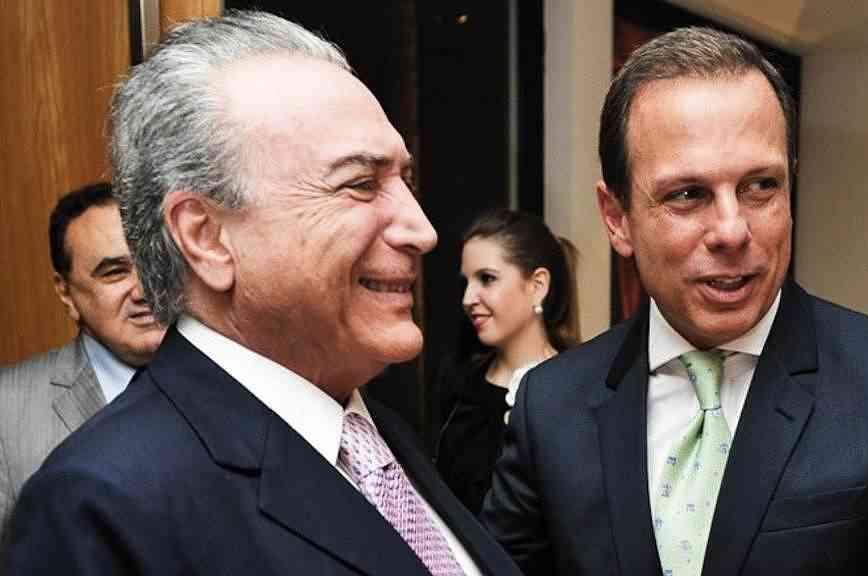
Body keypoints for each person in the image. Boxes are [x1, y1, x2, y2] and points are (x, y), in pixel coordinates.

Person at [481, 26, 868, 575]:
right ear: (617, 218)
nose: (732, 230)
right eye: (688, 194)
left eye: (760, 186)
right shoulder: (550, 407)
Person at [4, 11, 520, 576]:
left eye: (405, 181)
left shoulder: (381, 437)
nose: (422, 230)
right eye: (360, 183)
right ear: (207, 238)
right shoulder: (102, 507)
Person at [0, 182, 165, 552]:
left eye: (155, 262)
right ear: (66, 292)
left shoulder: (236, 380)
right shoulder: (6, 411)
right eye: (114, 272)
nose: (145, 291)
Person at [435, 209, 578, 515]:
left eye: (487, 279)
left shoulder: (575, 390)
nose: (468, 298)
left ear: (537, 286)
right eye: (466, 282)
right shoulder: (461, 381)